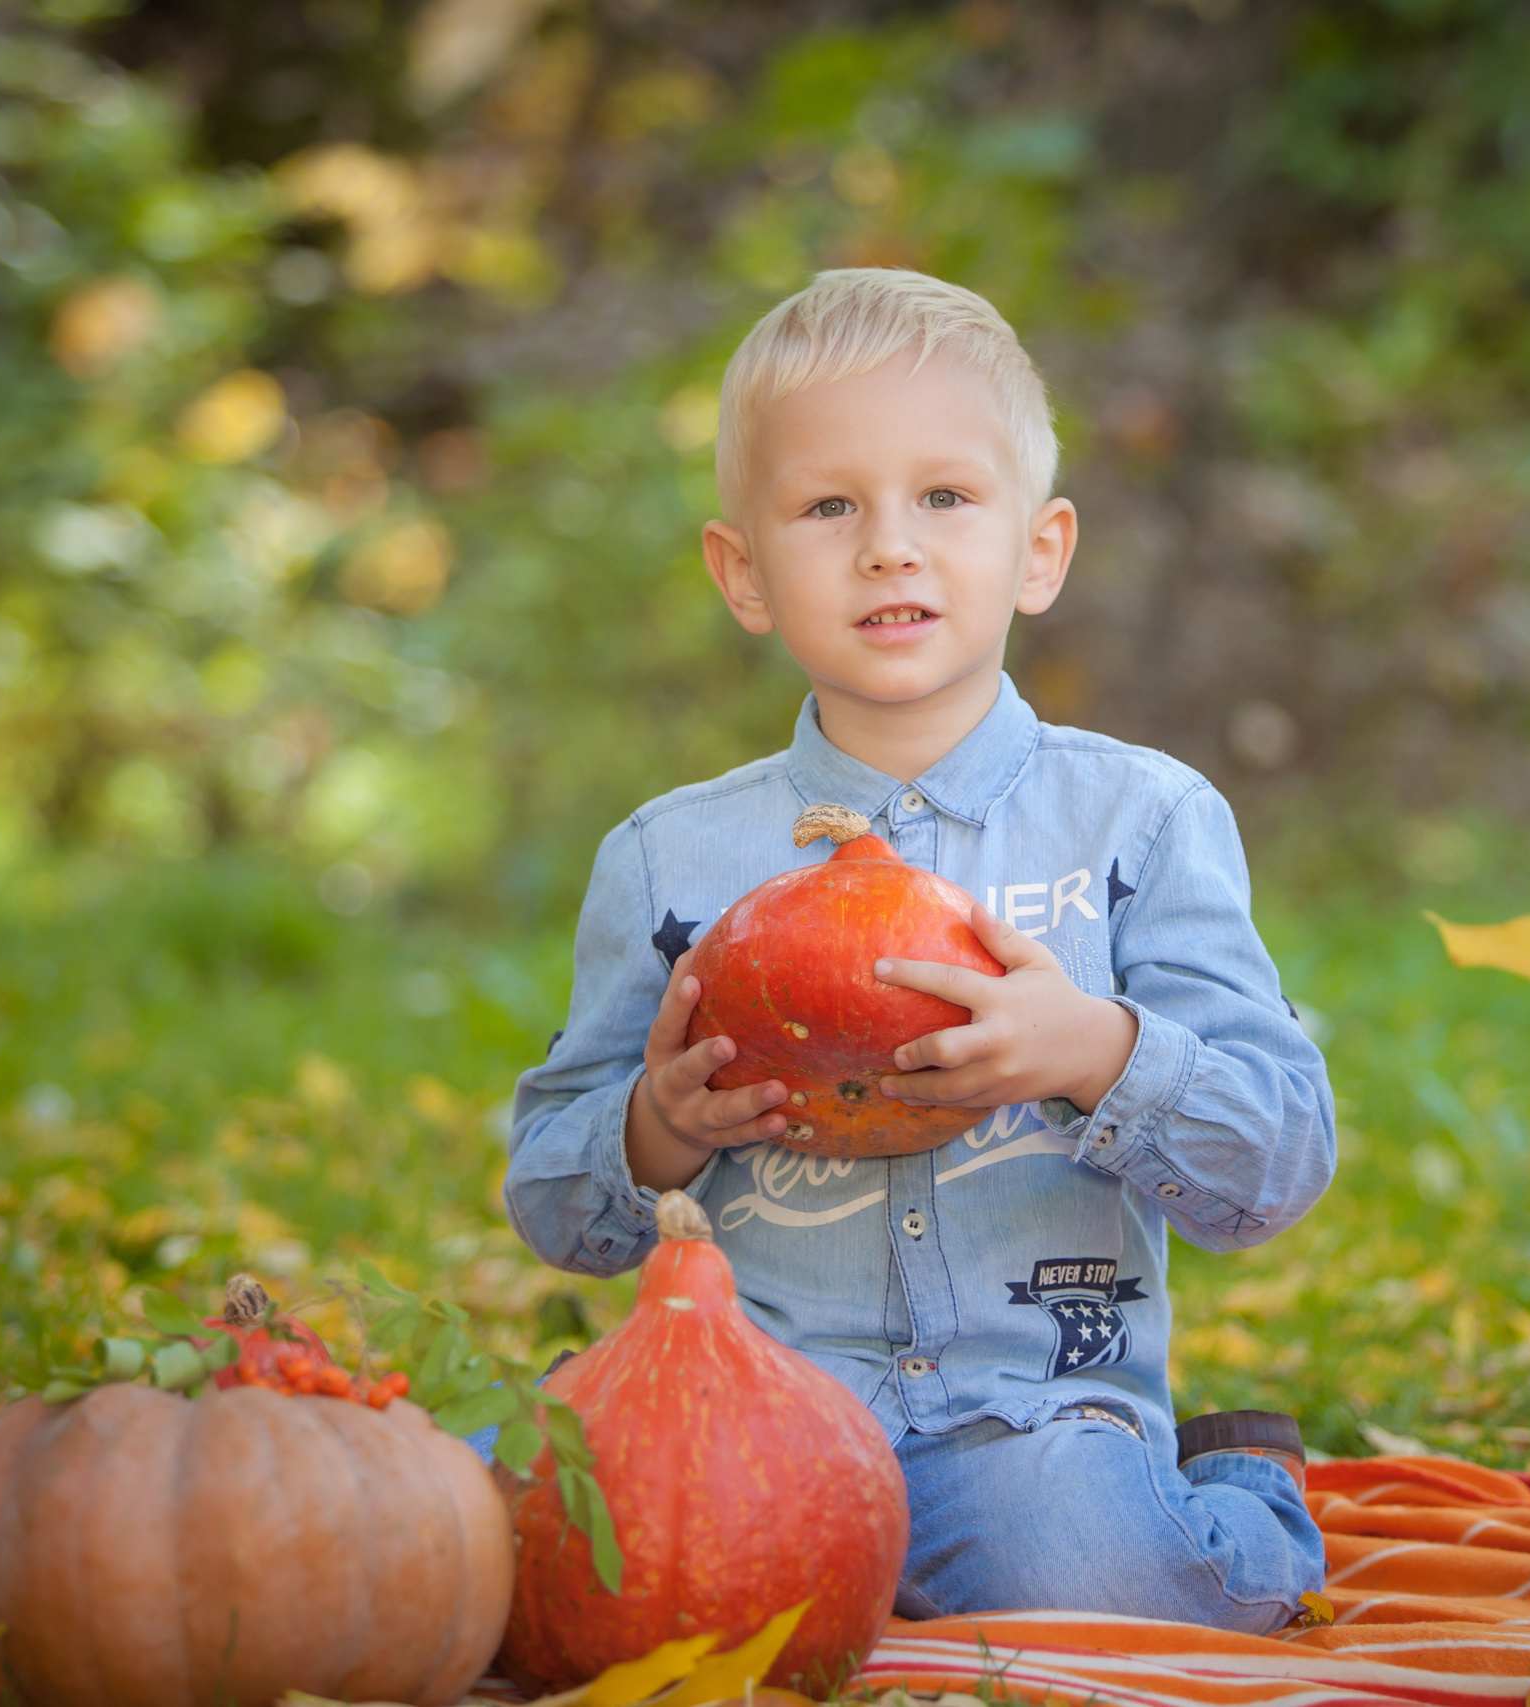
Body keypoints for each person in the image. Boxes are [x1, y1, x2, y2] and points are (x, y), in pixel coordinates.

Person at [506, 268, 1336, 1633]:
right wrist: (658, 1127)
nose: (890, 547)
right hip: (756, 1429)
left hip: (1026, 1431)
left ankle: (1242, 1491)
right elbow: (552, 1198)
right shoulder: (670, 863)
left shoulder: (1140, 823)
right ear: (744, 573)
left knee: (1097, 1574)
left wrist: (1097, 1052)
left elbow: (1278, 1160)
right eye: (830, 507)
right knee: (530, 1531)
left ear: (1040, 551)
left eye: (945, 496)